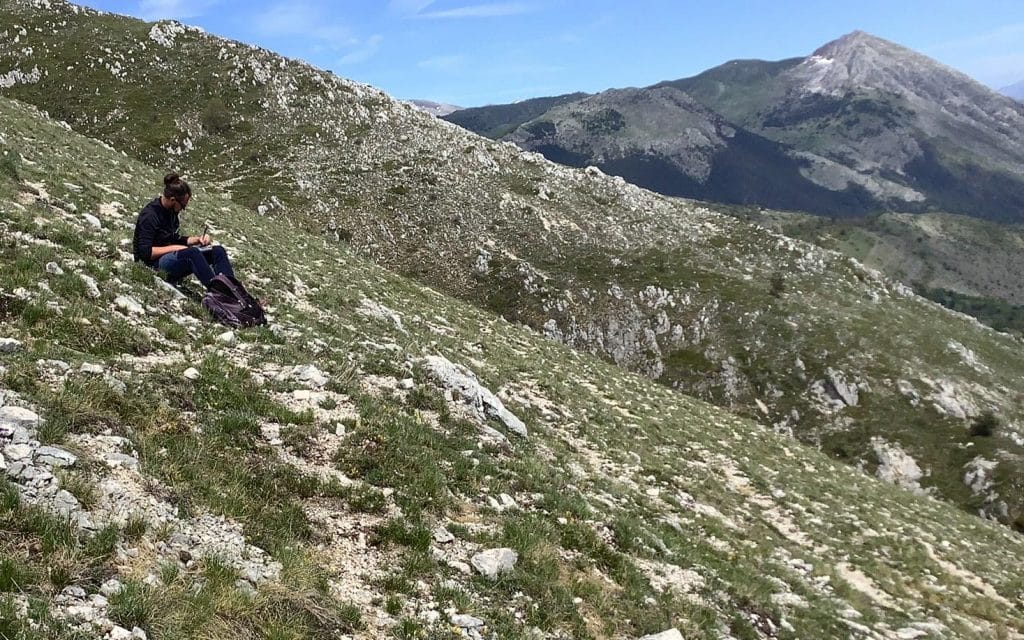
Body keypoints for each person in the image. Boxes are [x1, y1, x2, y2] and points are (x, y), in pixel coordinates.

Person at [132, 173, 236, 289]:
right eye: (182, 206)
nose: (182, 209)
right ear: (172, 200)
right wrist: (176, 248)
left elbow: (173, 238)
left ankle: (232, 289)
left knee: (217, 251)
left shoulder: (171, 213)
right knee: (192, 253)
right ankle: (219, 292)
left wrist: (196, 240)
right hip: (152, 265)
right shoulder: (150, 215)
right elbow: (145, 253)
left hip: (168, 257)